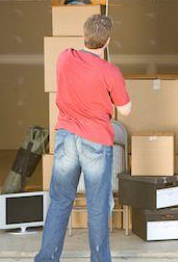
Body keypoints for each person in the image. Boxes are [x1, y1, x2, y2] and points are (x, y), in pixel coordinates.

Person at [35, 14, 131, 262]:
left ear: (83, 36)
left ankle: (46, 259)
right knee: (98, 207)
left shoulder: (65, 57)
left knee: (60, 201)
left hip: (67, 137)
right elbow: (127, 108)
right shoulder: (110, 71)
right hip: (96, 141)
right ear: (108, 41)